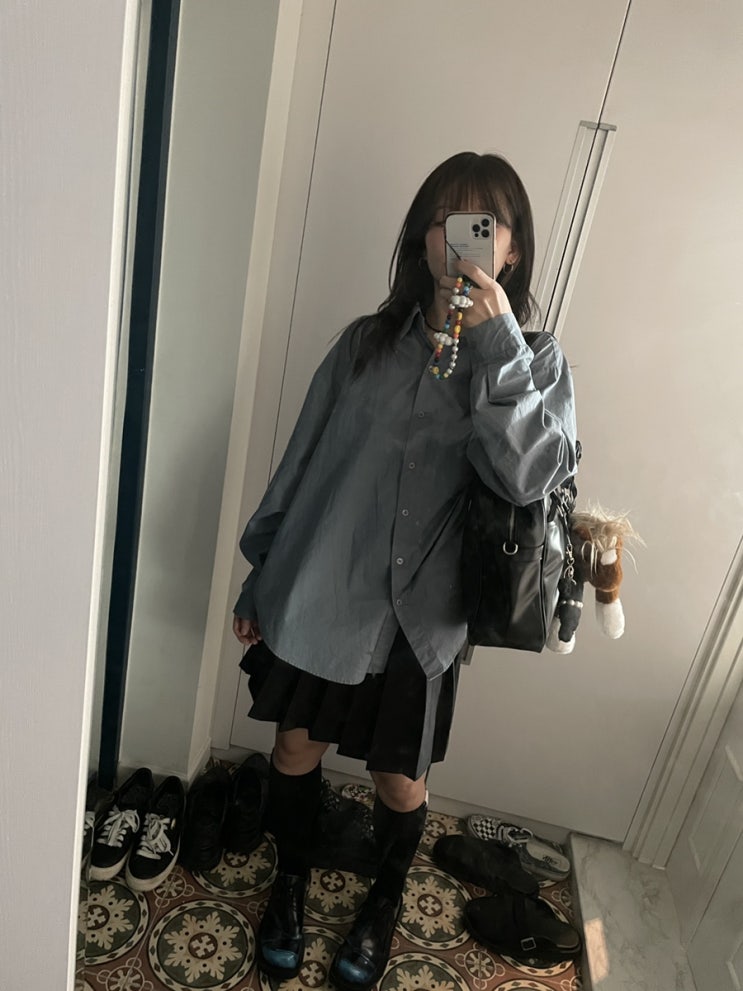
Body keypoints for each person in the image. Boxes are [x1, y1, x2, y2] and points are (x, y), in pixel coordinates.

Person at [232, 151, 578, 988]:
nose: (460, 240)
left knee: (399, 779)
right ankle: (290, 881)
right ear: (422, 237)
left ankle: (382, 900)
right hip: (324, 590)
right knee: (293, 746)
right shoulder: (365, 345)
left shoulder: (536, 363)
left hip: (423, 620)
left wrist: (495, 343)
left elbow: (532, 477)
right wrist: (260, 572)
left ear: (513, 249)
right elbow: (301, 466)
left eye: (483, 225)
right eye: (444, 220)